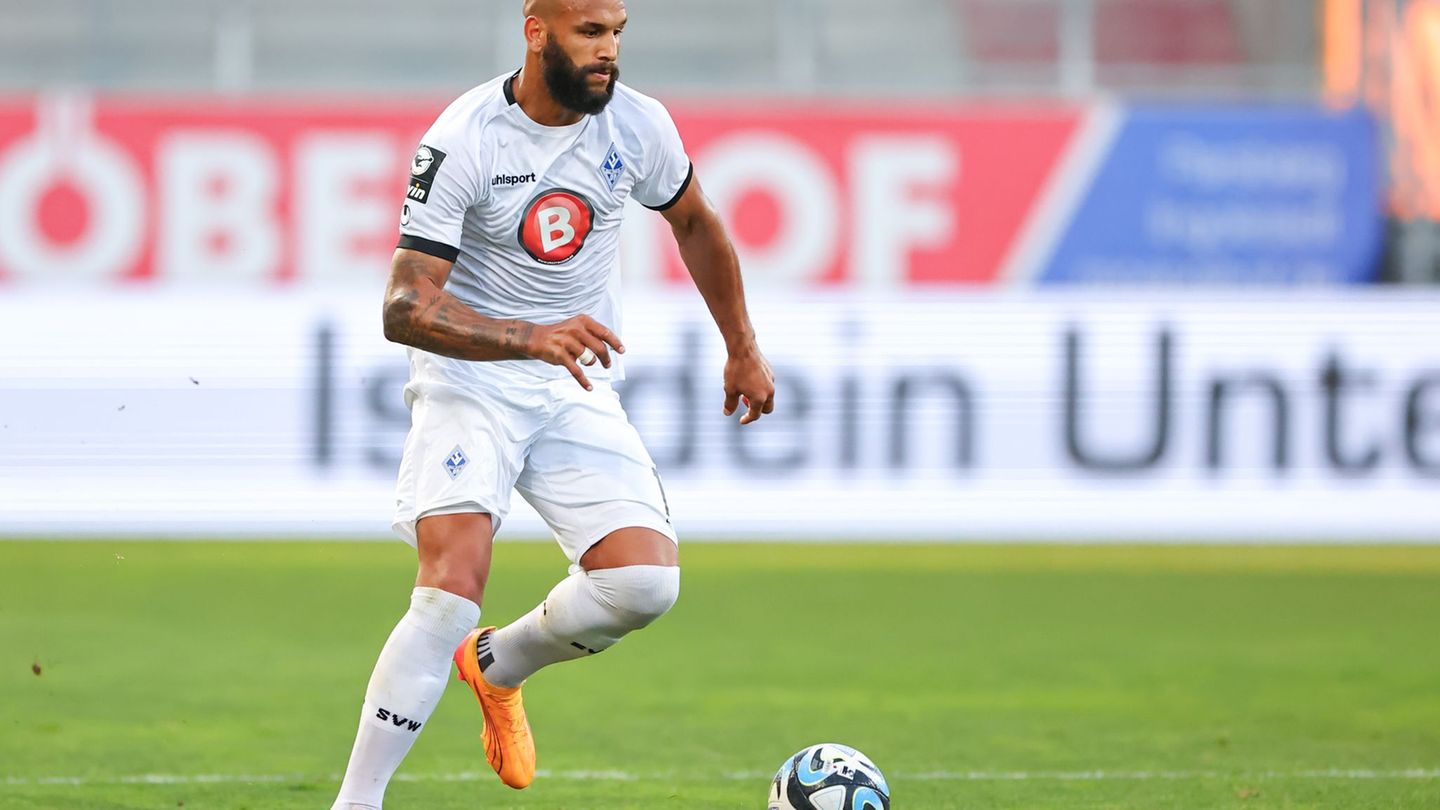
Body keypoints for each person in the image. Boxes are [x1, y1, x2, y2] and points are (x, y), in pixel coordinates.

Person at [330, 0, 775, 806]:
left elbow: (698, 223)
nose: (608, 53)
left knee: (643, 587)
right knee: (445, 593)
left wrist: (742, 346)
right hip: (471, 378)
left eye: (616, 35)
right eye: (590, 34)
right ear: (537, 33)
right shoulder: (463, 137)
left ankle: (497, 664)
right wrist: (527, 335)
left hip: (572, 383)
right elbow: (404, 306)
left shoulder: (638, 127)